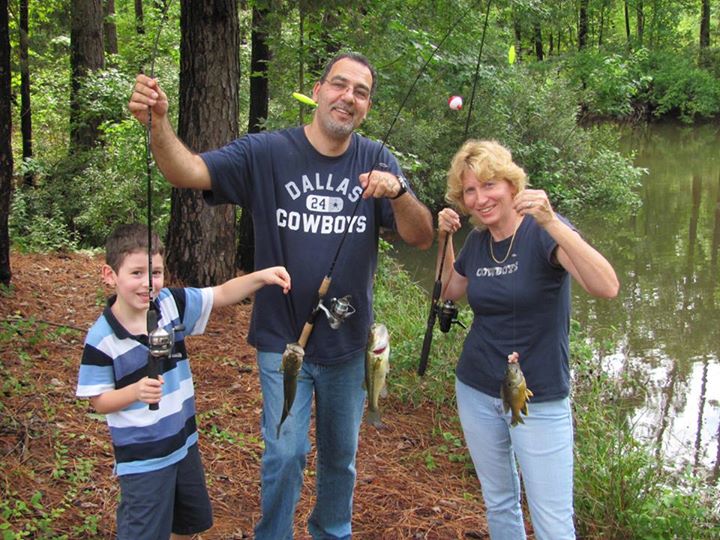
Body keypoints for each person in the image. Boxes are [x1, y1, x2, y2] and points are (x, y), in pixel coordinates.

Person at [128, 52, 434, 539]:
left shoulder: (378, 161)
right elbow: (185, 171)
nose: (348, 97)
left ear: (368, 106)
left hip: (349, 344)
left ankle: (332, 531)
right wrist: (159, 125)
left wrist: (398, 192)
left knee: (341, 458)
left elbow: (421, 236)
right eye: (340, 85)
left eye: (360, 92)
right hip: (281, 340)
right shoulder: (265, 153)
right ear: (317, 90)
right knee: (286, 452)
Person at [435, 140, 619, 540]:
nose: (481, 199)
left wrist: (554, 223)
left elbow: (606, 286)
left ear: (512, 185)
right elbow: (449, 291)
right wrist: (445, 239)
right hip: (476, 386)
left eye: (489, 185)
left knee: (552, 521)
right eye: (470, 191)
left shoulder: (544, 232)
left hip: (539, 394)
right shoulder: (478, 242)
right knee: (499, 501)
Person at [76, 223, 291, 540]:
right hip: (143, 460)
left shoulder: (168, 305)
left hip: (184, 444)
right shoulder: (101, 338)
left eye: (156, 273)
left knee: (188, 524)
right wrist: (134, 391)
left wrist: (261, 276)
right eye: (136, 273)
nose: (148, 283)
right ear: (110, 275)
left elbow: (220, 294)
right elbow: (98, 400)